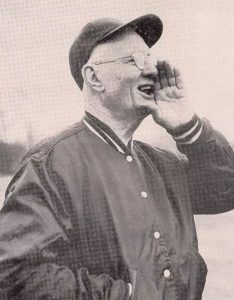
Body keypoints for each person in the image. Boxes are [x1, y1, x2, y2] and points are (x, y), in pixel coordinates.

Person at [0, 14, 233, 300]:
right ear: (94, 77)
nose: (152, 70)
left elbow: (225, 190)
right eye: (135, 60)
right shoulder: (49, 164)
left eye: (151, 59)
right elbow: (17, 275)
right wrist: (129, 295)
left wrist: (187, 125)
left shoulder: (162, 164)